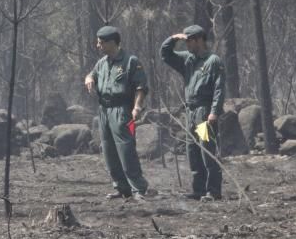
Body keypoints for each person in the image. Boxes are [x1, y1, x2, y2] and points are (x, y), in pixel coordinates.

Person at [84, 25, 149, 201]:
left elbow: (141, 87)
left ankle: (138, 189)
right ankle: (121, 188)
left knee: (126, 150)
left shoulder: (130, 61)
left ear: (112, 42)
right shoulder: (102, 63)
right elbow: (92, 74)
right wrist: (89, 77)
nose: (98, 46)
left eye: (101, 43)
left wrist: (137, 107)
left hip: (122, 110)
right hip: (104, 110)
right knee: (108, 150)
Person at [160, 25, 225, 201]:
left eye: (189, 41)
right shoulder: (187, 60)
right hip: (190, 113)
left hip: (204, 113)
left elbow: (219, 89)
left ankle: (213, 191)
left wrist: (214, 112)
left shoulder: (213, 61)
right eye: (186, 41)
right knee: (193, 151)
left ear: (199, 40)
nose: (186, 44)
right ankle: (199, 190)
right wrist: (174, 38)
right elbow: (165, 54)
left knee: (206, 151)